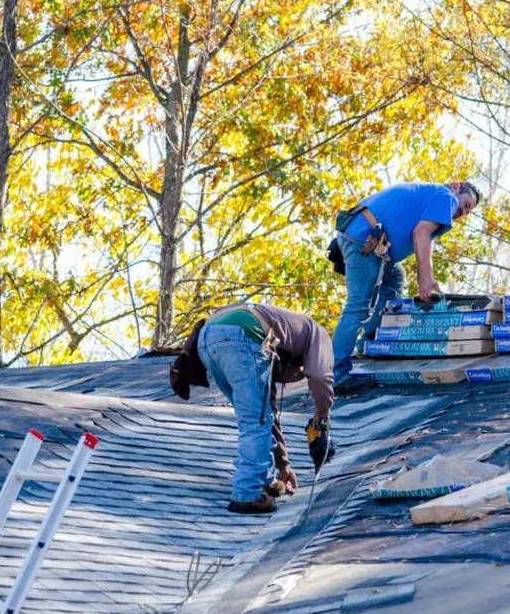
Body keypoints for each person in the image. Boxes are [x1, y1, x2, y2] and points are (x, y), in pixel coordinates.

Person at [169, 303, 334, 514]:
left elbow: (269, 414)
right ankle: (247, 495)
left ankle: (266, 477)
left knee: (258, 417)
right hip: (241, 336)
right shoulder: (318, 334)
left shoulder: (279, 339)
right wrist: (322, 416)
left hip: (207, 340)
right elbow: (321, 376)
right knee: (255, 422)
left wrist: (283, 466)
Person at [330, 180, 481, 388]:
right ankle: (336, 375)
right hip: (364, 242)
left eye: (466, 213)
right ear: (456, 186)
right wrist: (425, 280)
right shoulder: (446, 196)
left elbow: (422, 235)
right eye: (465, 205)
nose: (461, 213)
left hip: (375, 247)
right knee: (359, 306)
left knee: (394, 279)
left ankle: (373, 344)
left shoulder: (430, 195)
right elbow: (421, 233)